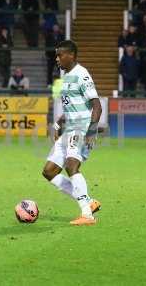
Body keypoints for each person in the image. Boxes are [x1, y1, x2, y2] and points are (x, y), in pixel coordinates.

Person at [42, 40, 102, 226]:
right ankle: (88, 202)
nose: (57, 59)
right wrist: (59, 124)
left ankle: (87, 215)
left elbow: (97, 106)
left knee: (71, 165)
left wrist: (91, 131)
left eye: (60, 55)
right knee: (49, 171)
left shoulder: (82, 74)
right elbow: (70, 107)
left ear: (72, 55)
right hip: (69, 128)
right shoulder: (65, 77)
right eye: (56, 55)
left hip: (82, 128)